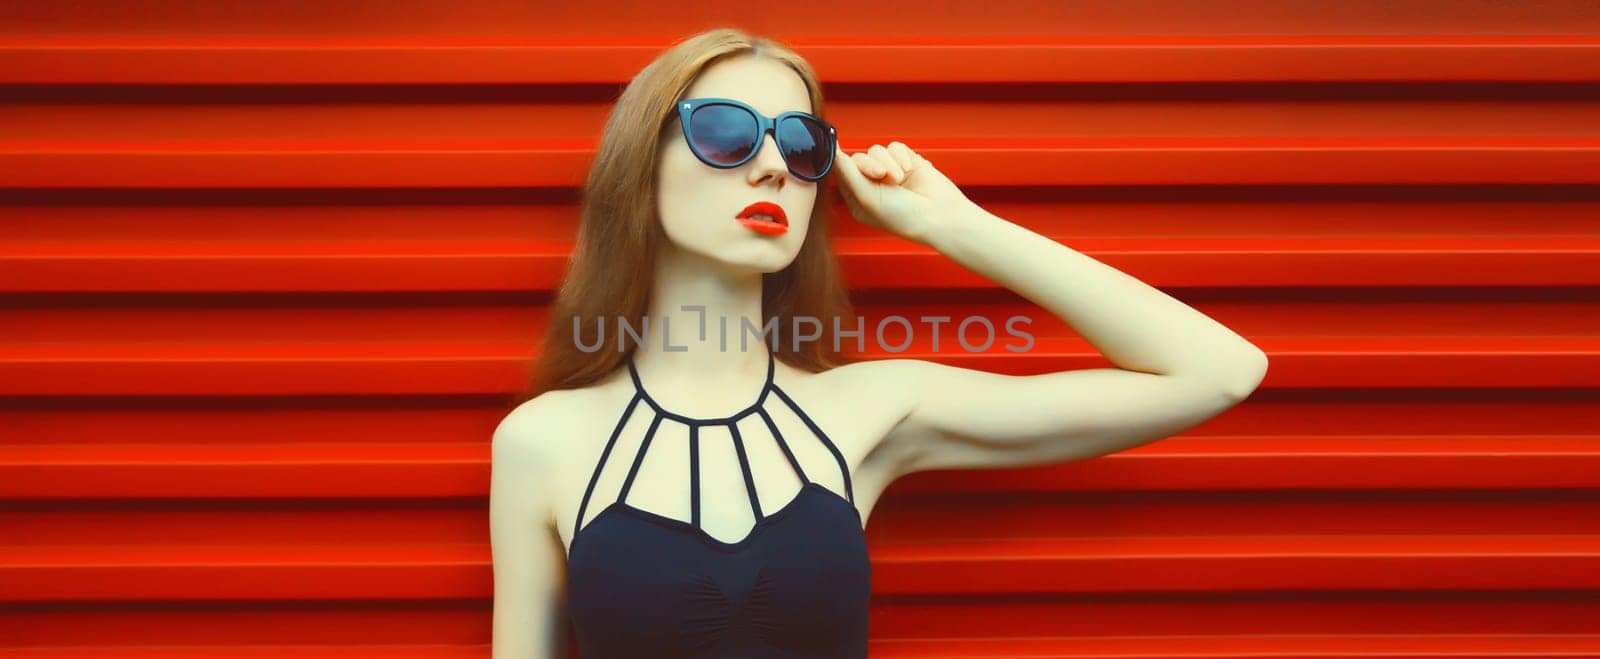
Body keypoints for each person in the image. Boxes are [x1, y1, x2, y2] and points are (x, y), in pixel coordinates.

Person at [490, 27, 1268, 659]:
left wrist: (951, 225)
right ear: (640, 165)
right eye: (725, 133)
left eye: (800, 146)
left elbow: (1220, 370)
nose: (771, 167)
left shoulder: (869, 409)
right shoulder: (543, 441)